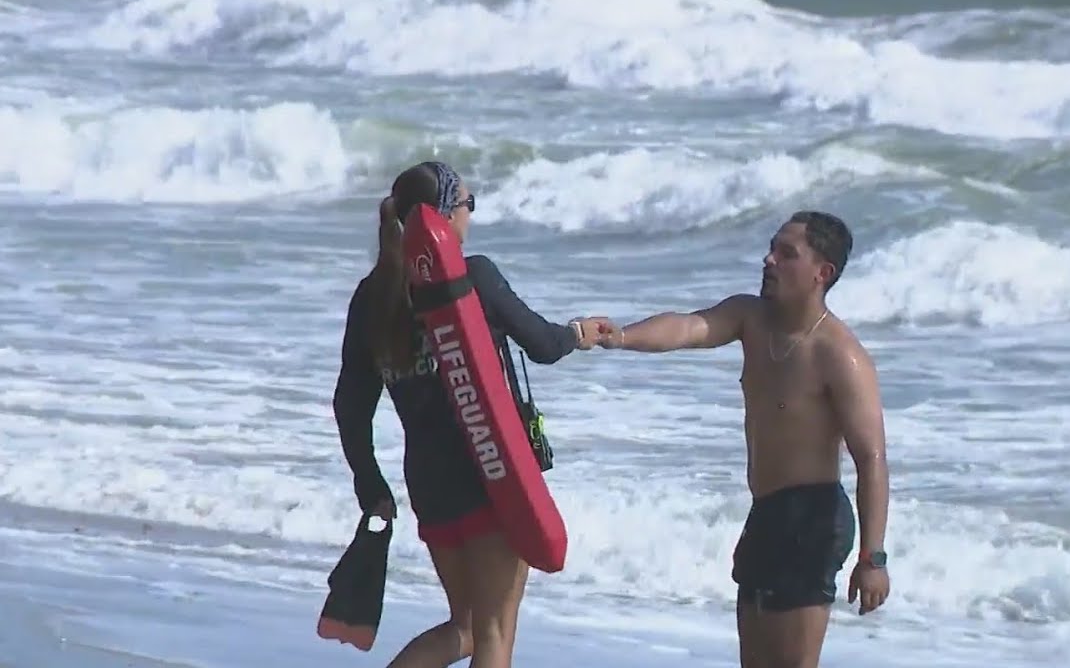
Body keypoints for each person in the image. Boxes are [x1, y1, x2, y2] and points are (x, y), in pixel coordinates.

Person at [332, 160, 607, 668]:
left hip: (429, 485)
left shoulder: (372, 298)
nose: (470, 217)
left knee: (466, 628)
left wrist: (371, 486)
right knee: (494, 631)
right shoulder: (470, 277)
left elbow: (351, 406)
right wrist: (578, 332)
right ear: (441, 217)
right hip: (491, 470)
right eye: (467, 205)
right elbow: (543, 344)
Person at [592, 210, 891, 668]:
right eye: (771, 248)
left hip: (813, 520)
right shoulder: (751, 318)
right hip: (767, 513)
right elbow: (691, 327)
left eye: (786, 254)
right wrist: (622, 337)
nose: (768, 260)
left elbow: (871, 459)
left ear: (821, 273)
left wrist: (873, 559)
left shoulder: (838, 354)